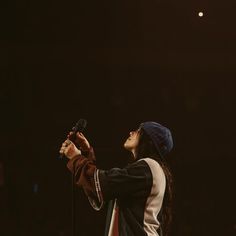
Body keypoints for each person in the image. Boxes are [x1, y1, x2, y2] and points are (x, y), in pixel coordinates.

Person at [60, 121, 174, 236]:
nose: (131, 132)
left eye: (138, 131)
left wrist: (76, 158)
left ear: (149, 140)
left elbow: (103, 184)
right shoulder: (149, 169)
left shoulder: (149, 167)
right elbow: (100, 190)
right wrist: (86, 153)